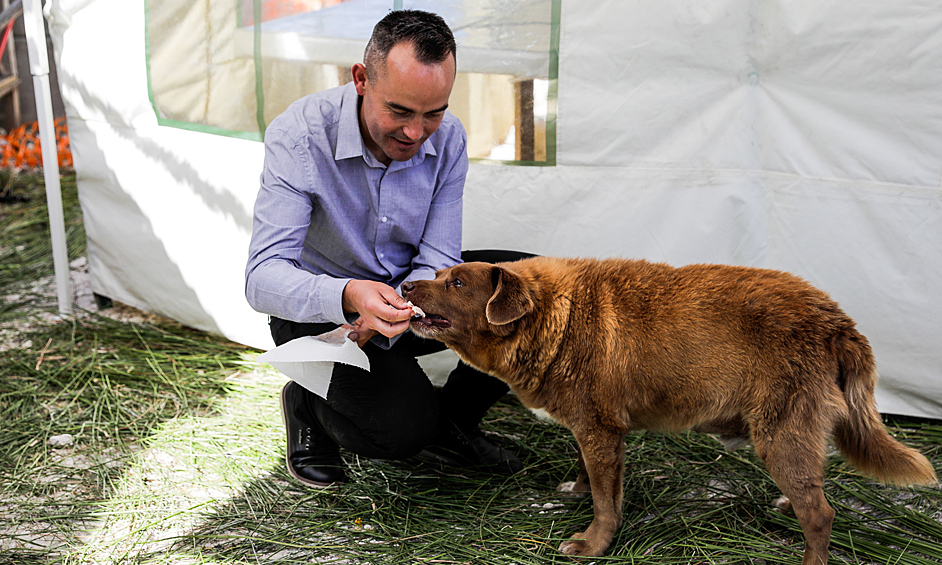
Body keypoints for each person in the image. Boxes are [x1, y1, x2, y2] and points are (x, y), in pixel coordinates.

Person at [245, 9, 530, 488]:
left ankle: (452, 423)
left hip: (406, 296)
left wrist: (403, 303)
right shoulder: (298, 136)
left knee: (530, 286)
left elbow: (439, 257)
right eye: (399, 111)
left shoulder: (451, 138)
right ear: (361, 79)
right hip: (322, 316)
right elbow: (262, 278)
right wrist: (351, 295)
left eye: (433, 113)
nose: (416, 133)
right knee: (398, 435)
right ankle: (307, 400)